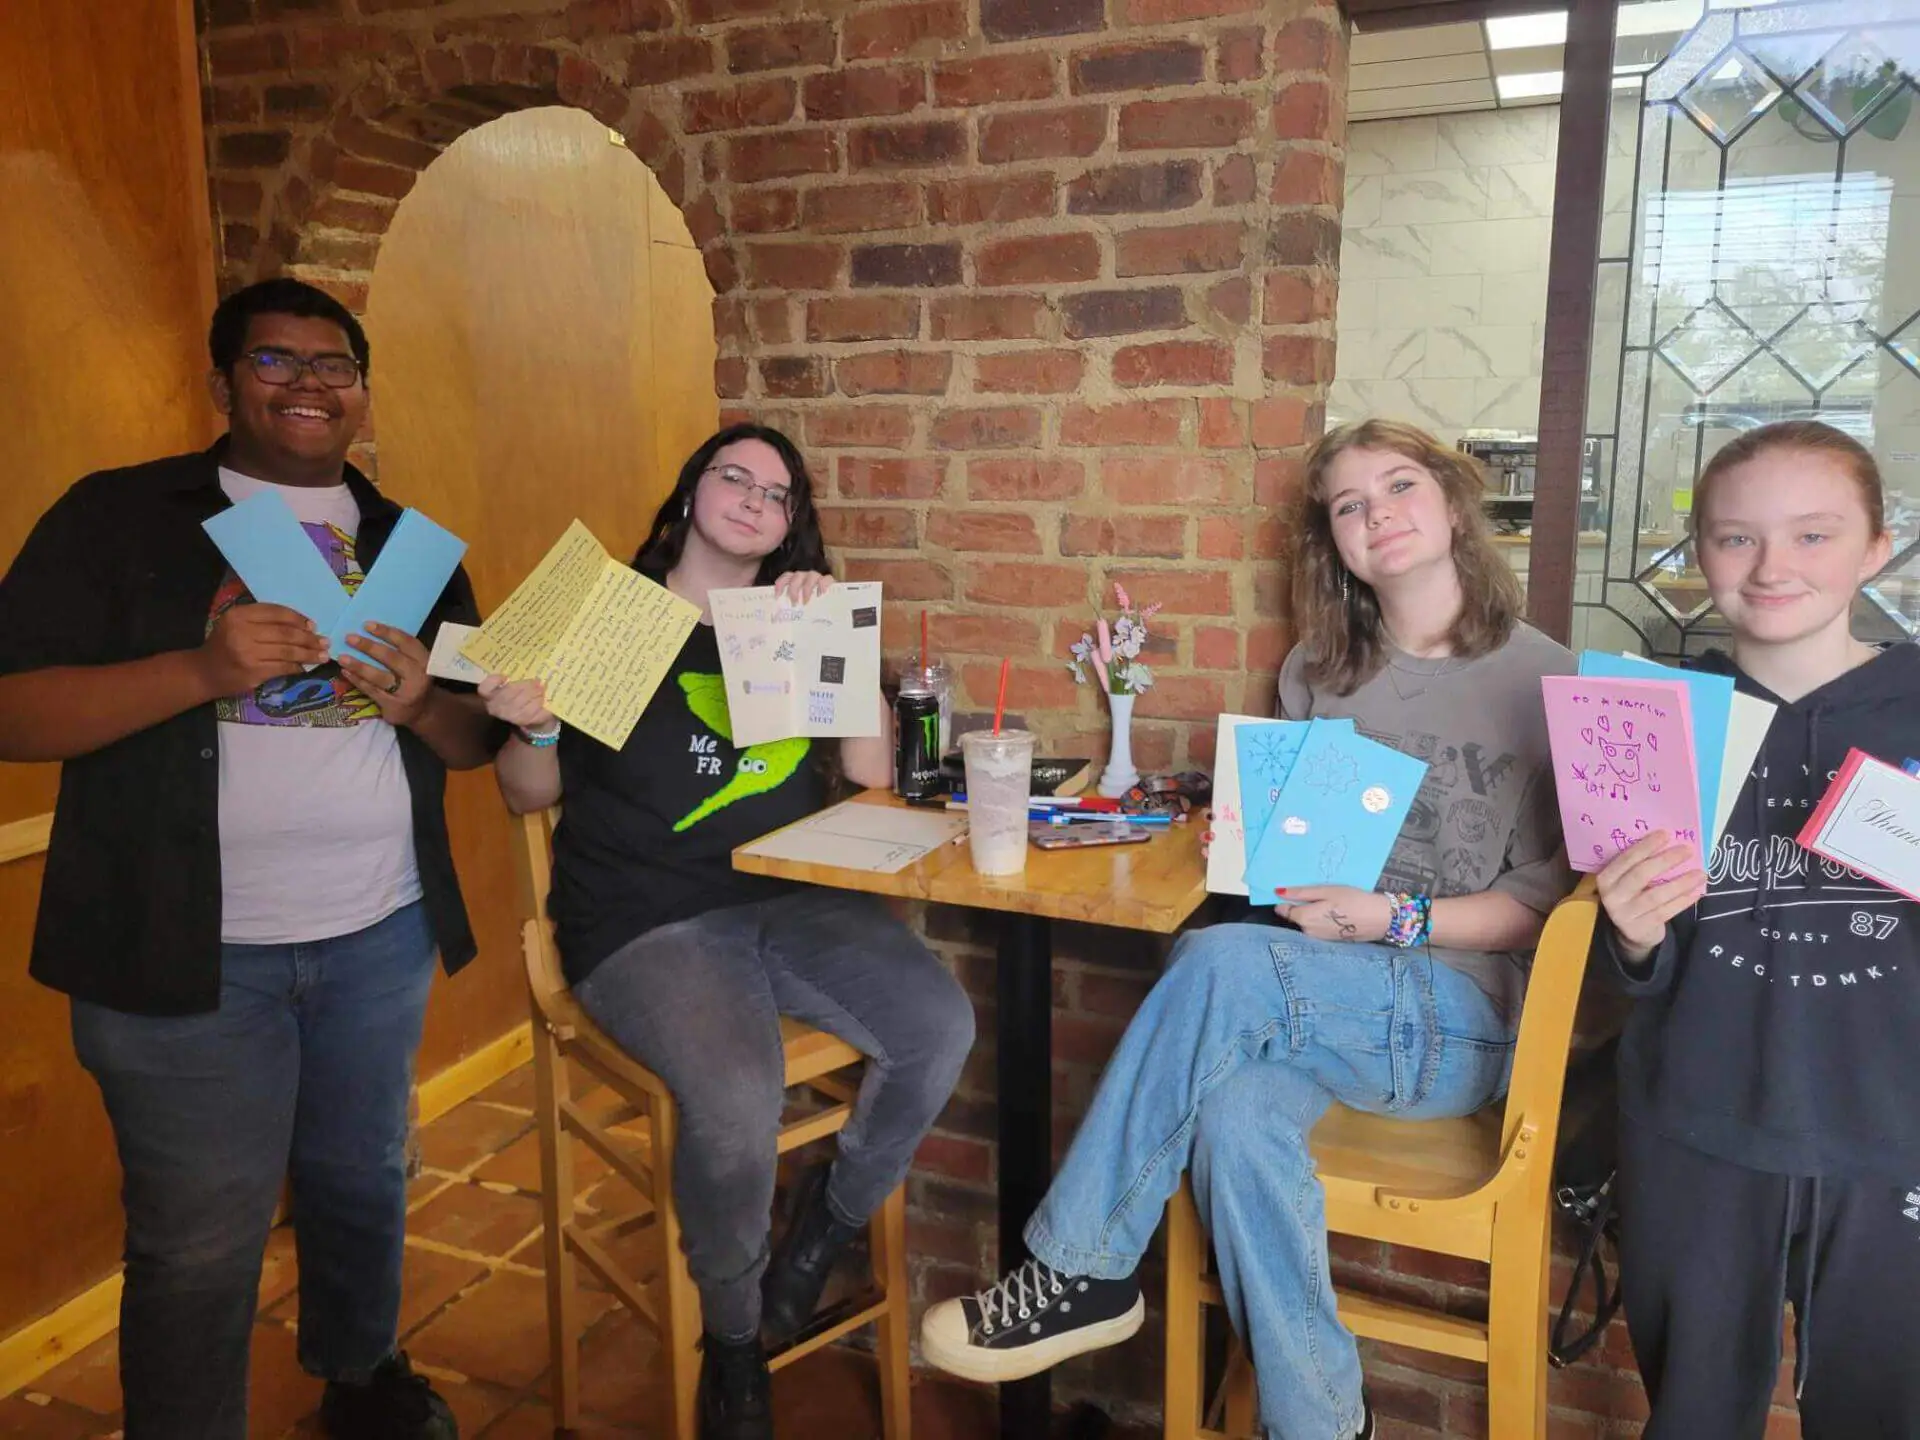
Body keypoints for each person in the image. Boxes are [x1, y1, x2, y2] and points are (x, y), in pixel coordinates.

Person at [918, 418, 1575, 1440]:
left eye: (1399, 487)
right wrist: (1260, 853)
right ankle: (1323, 1426)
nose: (1377, 515)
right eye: (1350, 505)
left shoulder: (1550, 681)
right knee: (1234, 1119)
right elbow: (1301, 870)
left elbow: (1541, 912)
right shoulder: (1319, 668)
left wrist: (1392, 916)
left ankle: (1078, 1270)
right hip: (1322, 997)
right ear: (1334, 541)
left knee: (1218, 962)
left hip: (1461, 1018)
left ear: (1452, 504)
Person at [0, 278, 503, 1440]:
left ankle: (361, 1376)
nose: (310, 384)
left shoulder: (407, 545)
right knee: (197, 1236)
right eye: (276, 362)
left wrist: (423, 704)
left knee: (365, 1177)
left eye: (335, 365)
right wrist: (200, 671)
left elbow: (472, 743)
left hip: (379, 933)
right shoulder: (120, 518)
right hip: (182, 953)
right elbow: (11, 712)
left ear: (362, 391)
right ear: (221, 384)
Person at [482, 422, 975, 1440]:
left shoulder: (789, 620)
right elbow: (528, 794)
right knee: (740, 1094)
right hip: (644, 916)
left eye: (778, 493)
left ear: (792, 523)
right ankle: (738, 1334)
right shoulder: (618, 615)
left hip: (791, 895)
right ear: (691, 493)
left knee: (940, 1026)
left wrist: (835, 636)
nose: (754, 499)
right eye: (733, 477)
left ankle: (821, 1236)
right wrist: (530, 725)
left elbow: (878, 774)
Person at [1591, 420, 1920, 1438]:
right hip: (1692, 1125)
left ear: (1878, 547)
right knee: (1690, 1415)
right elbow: (1631, 969)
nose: (1773, 566)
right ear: (1701, 558)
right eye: (1736, 538)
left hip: (1895, 1138)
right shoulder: (1645, 719)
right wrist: (1634, 936)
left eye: (1814, 536)